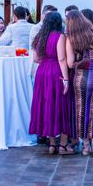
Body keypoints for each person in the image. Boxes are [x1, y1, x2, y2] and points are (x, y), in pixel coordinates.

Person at [29, 12, 74, 155]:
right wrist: (66, 79)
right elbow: (61, 59)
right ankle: (62, 145)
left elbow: (36, 59)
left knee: (47, 105)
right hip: (56, 72)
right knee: (62, 106)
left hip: (42, 72)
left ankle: (52, 145)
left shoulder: (40, 37)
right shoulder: (60, 36)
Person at [65, 10, 93, 157]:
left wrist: (81, 61)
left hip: (80, 76)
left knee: (80, 108)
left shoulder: (70, 38)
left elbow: (70, 64)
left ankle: (85, 145)